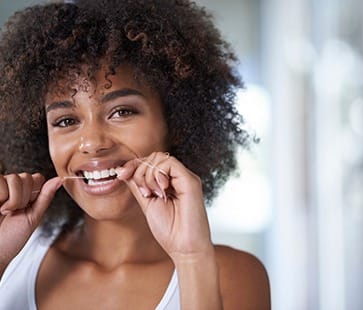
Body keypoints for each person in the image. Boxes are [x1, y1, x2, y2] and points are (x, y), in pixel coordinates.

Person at [0, 0, 271, 309]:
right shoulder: (12, 258)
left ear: (176, 123)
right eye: (66, 121)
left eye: (122, 111)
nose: (92, 142)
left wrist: (191, 258)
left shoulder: (231, 275)